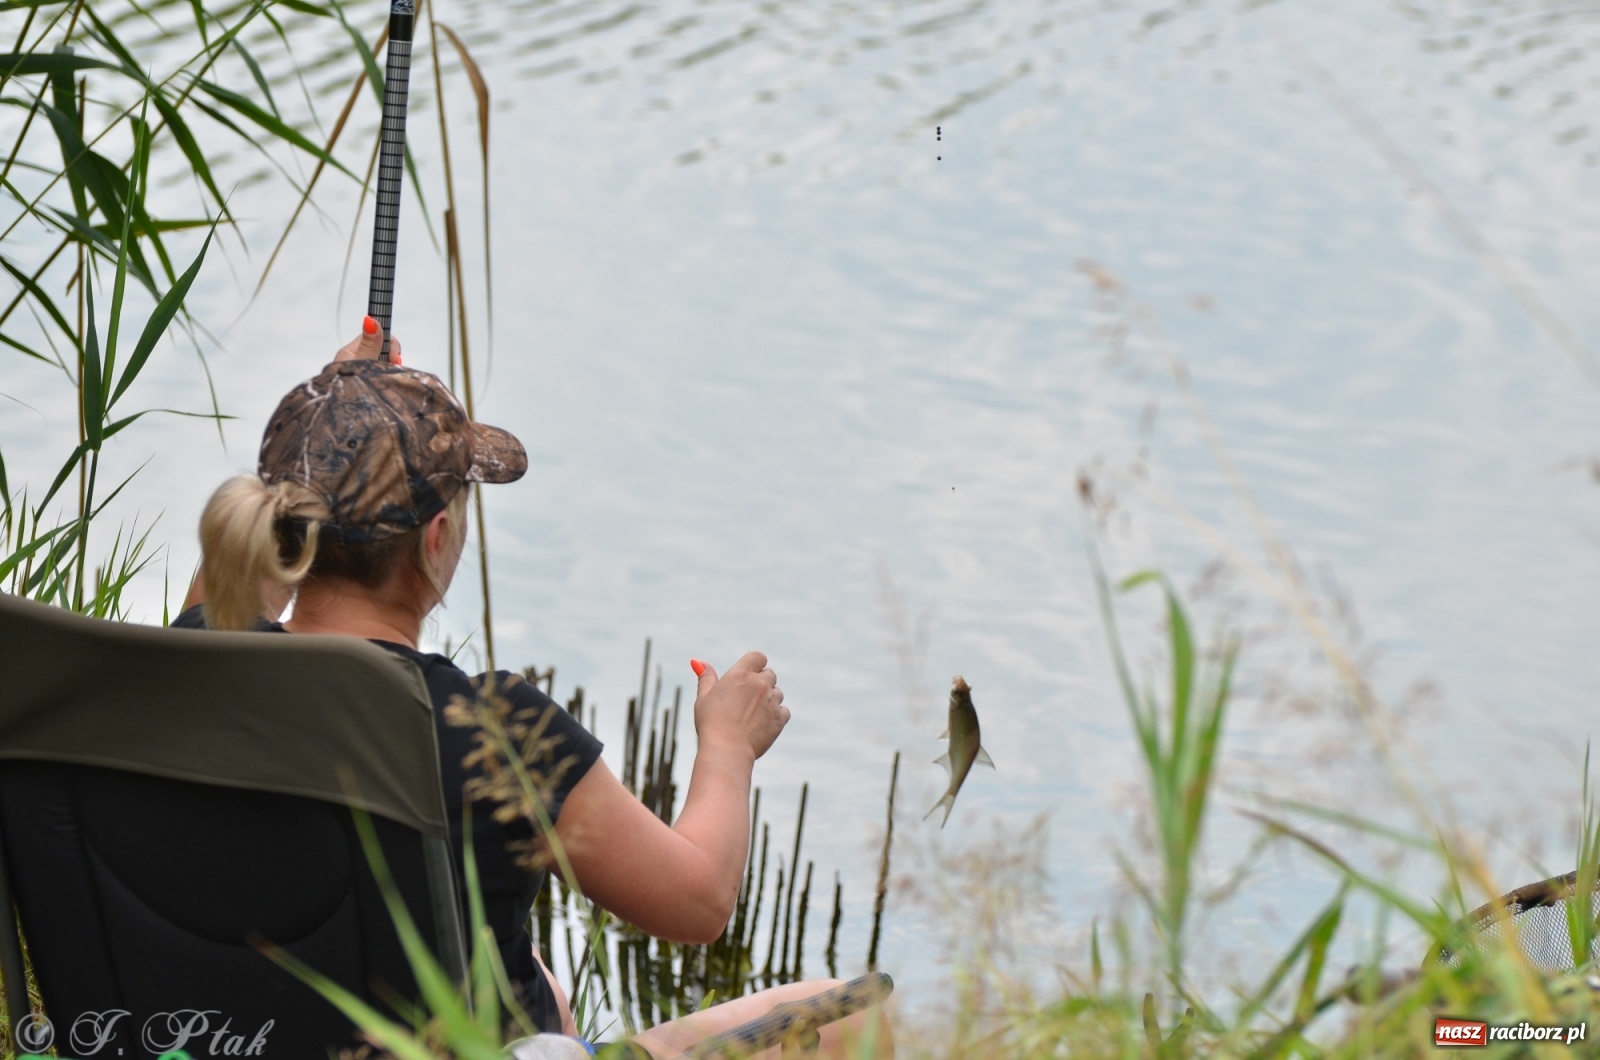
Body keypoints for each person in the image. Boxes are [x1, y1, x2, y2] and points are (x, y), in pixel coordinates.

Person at [176, 322, 892, 1059]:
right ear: (437, 537)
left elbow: (229, 596)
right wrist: (728, 747)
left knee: (544, 985)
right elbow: (700, 900)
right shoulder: (496, 729)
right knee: (851, 1016)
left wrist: (333, 419)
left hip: (236, 1040)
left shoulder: (196, 668)